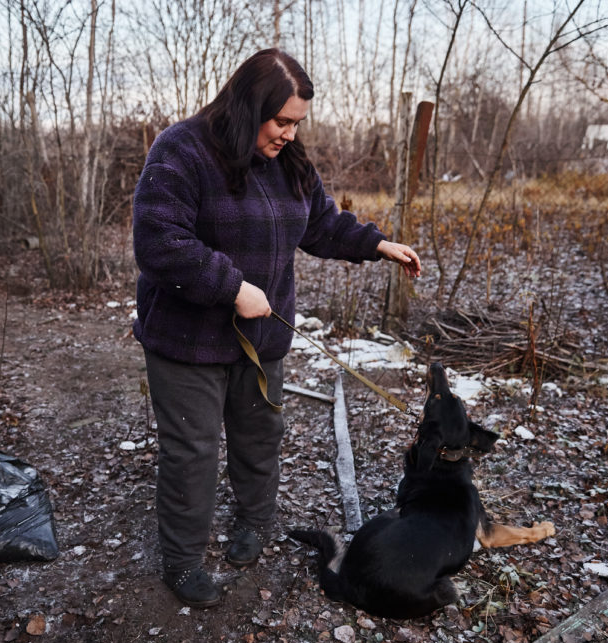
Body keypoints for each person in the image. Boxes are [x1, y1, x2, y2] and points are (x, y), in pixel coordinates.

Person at [131, 48, 421, 608]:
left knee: (259, 437)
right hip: (186, 343)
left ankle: (254, 523)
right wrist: (231, 287)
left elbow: (320, 222)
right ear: (247, 106)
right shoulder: (182, 150)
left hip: (262, 340)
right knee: (191, 453)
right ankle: (184, 561)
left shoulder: (288, 162)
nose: (289, 133)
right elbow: (158, 242)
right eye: (281, 120)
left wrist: (376, 244)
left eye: (297, 123)